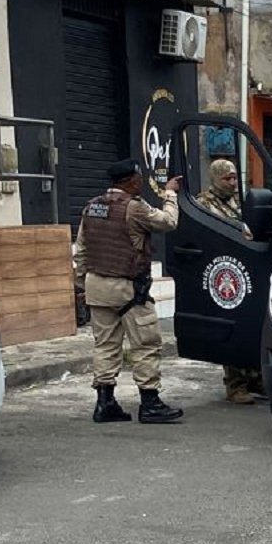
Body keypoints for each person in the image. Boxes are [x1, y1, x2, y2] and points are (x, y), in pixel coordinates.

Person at [74, 158, 184, 425]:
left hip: (97, 286)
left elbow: (82, 250)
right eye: (138, 177)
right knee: (146, 344)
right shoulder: (134, 208)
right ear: (129, 180)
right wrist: (170, 194)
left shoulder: (92, 207)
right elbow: (168, 222)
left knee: (105, 346)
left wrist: (81, 286)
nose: (140, 181)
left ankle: (105, 403)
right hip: (128, 288)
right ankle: (150, 403)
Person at [197, 158, 265, 405]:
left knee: (250, 324)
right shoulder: (204, 203)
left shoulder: (239, 201)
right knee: (232, 327)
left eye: (235, 177)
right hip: (223, 270)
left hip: (245, 267)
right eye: (227, 178)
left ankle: (255, 378)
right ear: (215, 178)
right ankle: (235, 384)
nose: (233, 183)